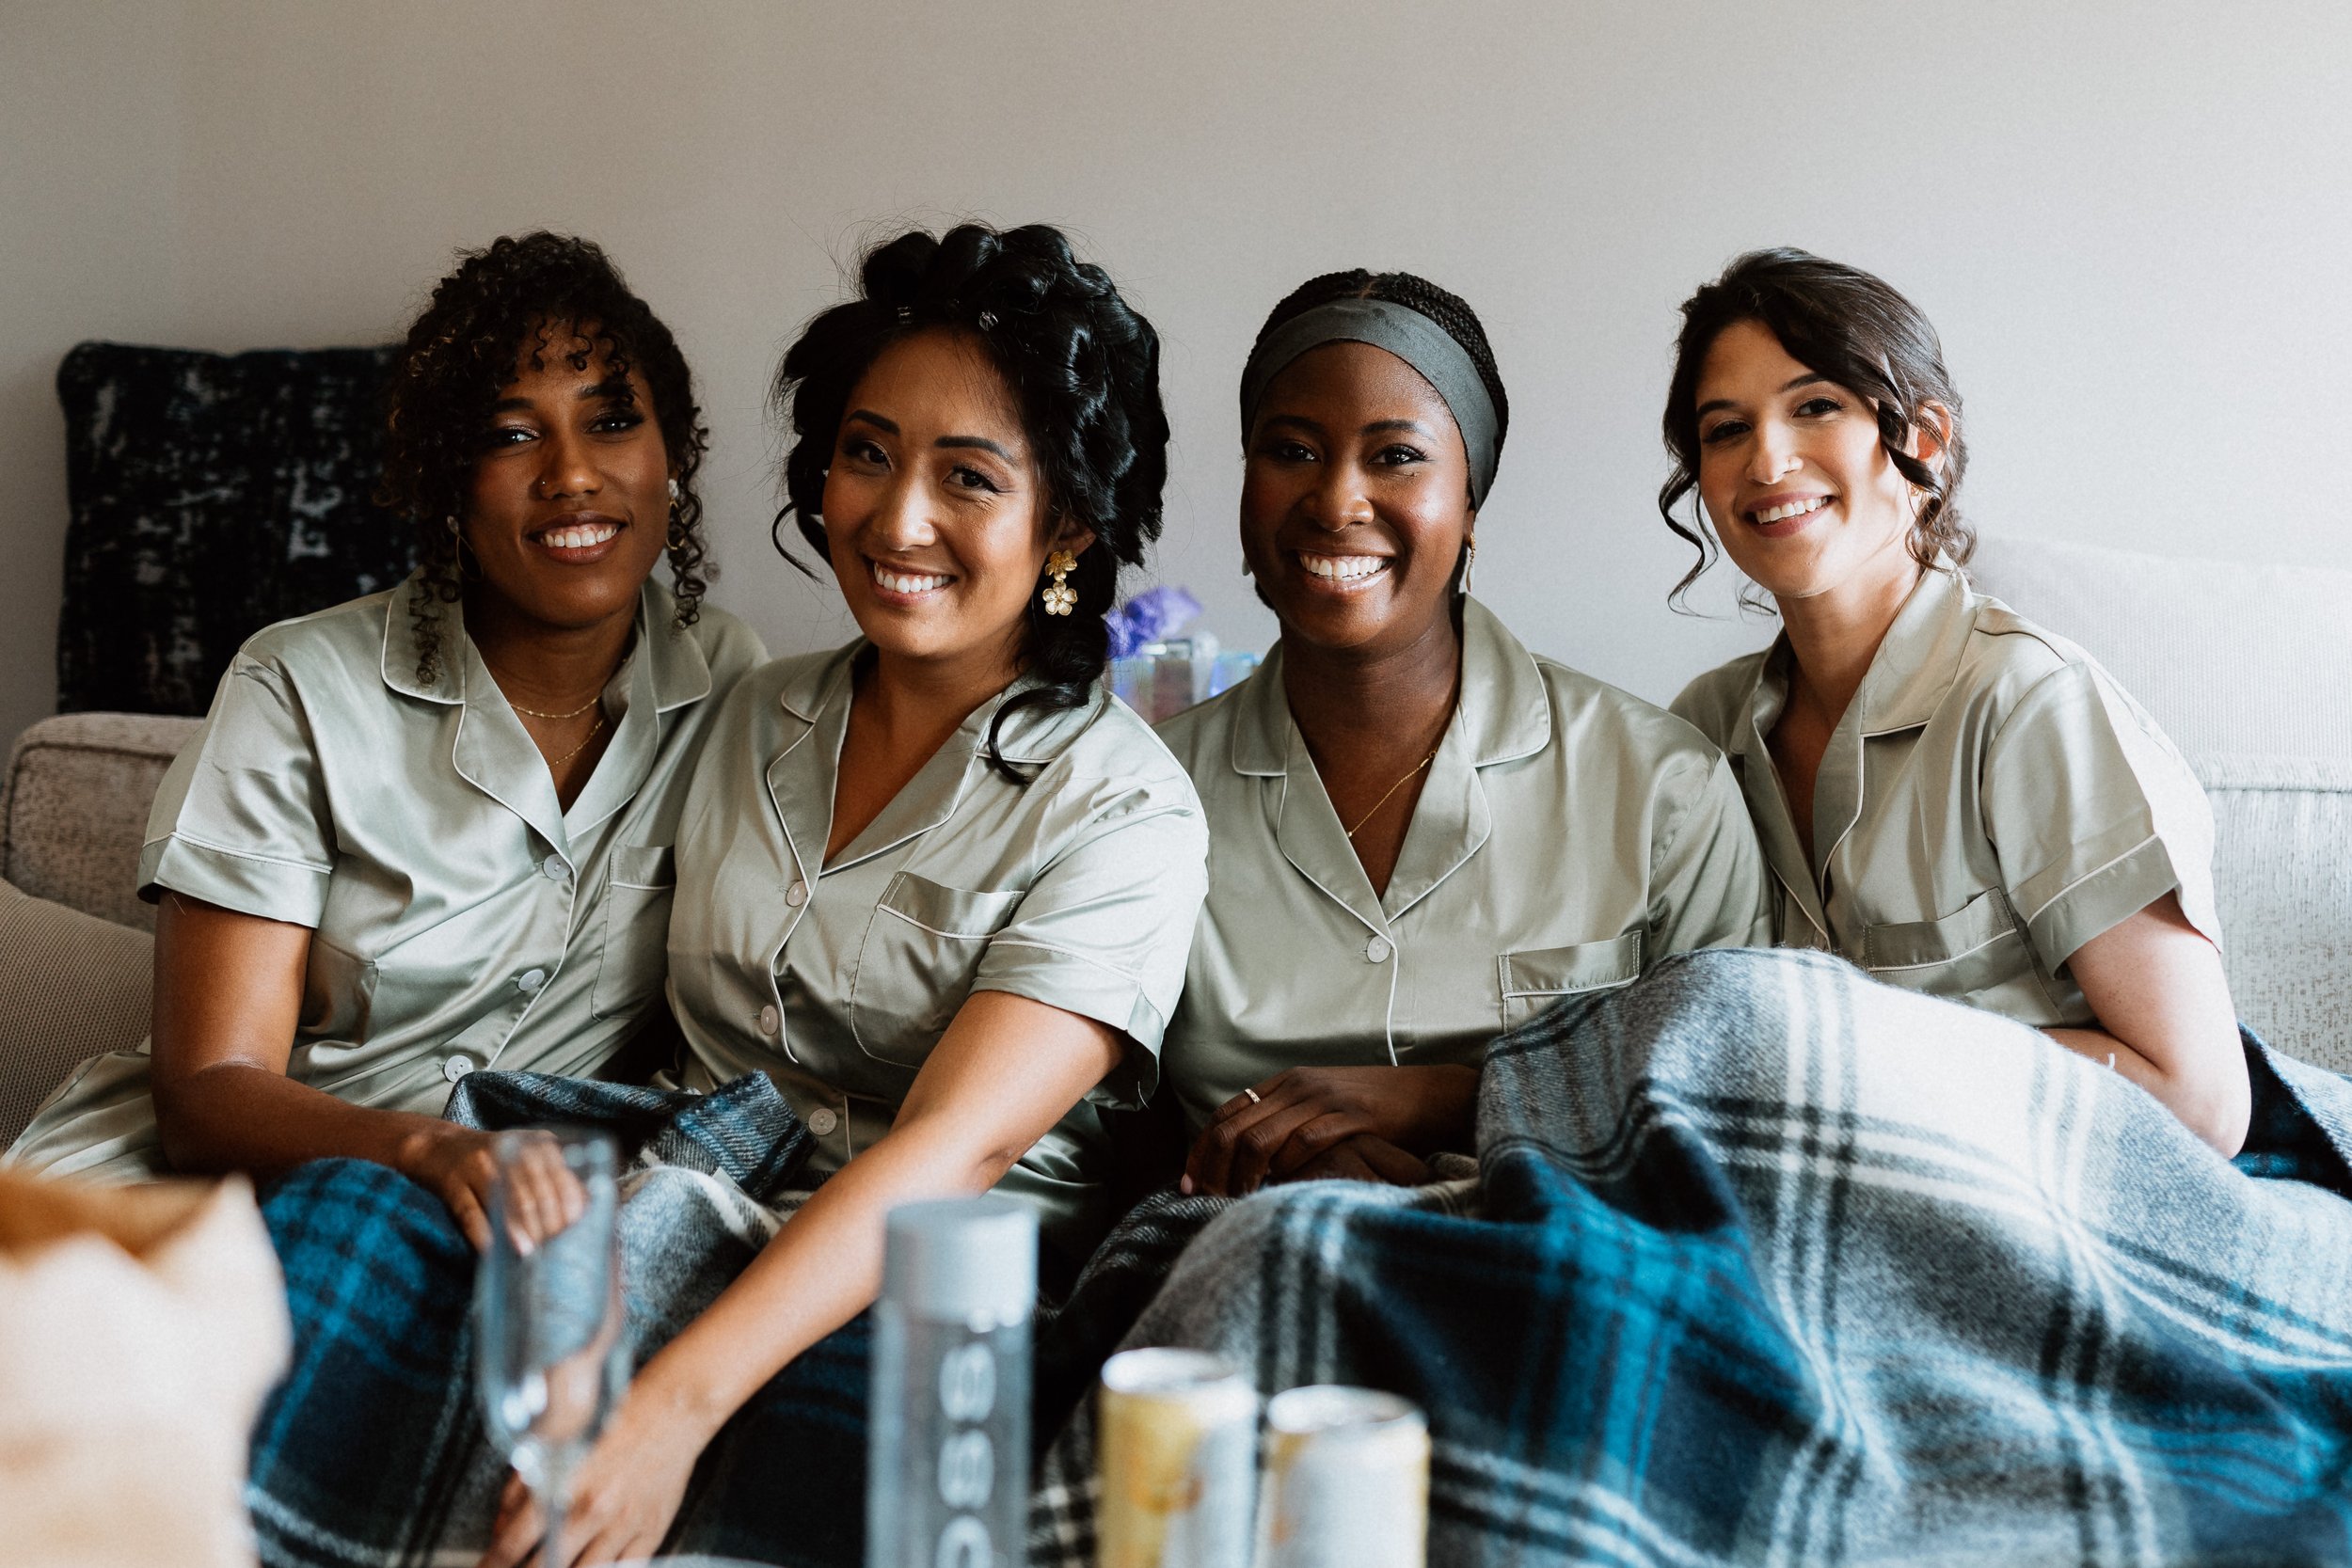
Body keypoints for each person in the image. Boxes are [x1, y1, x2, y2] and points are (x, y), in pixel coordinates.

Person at [477, 223, 1207, 1566]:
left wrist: (669, 1408)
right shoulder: (748, 712)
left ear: (1069, 529)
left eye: (968, 477)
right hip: (675, 1201)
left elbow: (954, 1155)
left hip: (928, 1290)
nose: (896, 517)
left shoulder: (1123, 807)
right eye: (866, 453)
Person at [5, 233, 765, 1236]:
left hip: (507, 1221)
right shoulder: (296, 686)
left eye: (613, 420)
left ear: (674, 457)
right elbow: (206, 1092)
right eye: (509, 433)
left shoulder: (730, 684)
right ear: (446, 483)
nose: (573, 473)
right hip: (214, 1199)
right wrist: (427, 1149)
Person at [1156, 269, 1770, 1200]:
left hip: (1564, 1281)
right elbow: (1081, 1132)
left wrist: (1451, 1100)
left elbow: (1732, 1117)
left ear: (1471, 504)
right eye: (1290, 450)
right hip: (1221, 1269)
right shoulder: (1147, 798)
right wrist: (1276, 1170)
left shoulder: (1659, 791)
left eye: (1396, 455)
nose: (1335, 501)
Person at [1662, 247, 2249, 1155]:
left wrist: (1867, 1072)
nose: (1768, 458)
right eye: (1725, 428)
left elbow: (2200, 1098)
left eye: (1815, 405)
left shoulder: (2029, 704)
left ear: (1924, 440)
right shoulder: (1703, 731)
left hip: (2041, 1207)